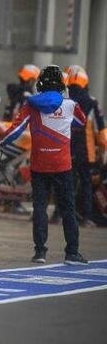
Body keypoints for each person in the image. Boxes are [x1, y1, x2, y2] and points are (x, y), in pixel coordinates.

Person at [0, 65, 88, 265]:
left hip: (39, 165)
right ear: (61, 84)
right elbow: (82, 123)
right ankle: (72, 253)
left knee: (39, 208)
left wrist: (0, 142)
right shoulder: (70, 105)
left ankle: (40, 252)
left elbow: (15, 130)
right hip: (63, 165)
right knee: (68, 208)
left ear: (40, 84)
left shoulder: (31, 105)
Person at [65, 66, 106, 227]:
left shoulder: (64, 100)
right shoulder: (92, 102)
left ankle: (59, 215)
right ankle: (86, 217)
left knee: (65, 183)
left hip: (65, 149)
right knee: (86, 182)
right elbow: (101, 129)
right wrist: (103, 150)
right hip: (85, 151)